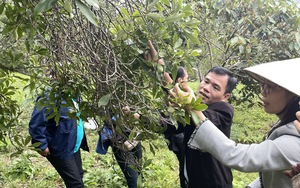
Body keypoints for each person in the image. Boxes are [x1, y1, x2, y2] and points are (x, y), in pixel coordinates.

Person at [170, 58, 300, 188]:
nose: (263, 92)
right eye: (263, 85)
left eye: (271, 86)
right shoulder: (287, 128)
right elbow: (269, 176)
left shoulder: (293, 141)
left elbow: (239, 156)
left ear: (294, 95)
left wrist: (193, 107)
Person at [144, 40, 238, 188]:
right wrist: (140, 119)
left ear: (225, 96)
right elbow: (171, 124)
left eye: (215, 87)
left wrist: (186, 103)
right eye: (206, 81)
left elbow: (203, 120)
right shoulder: (194, 108)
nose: (206, 88)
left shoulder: (224, 112)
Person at [29, 93, 89, 188]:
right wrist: (41, 145)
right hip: (61, 148)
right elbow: (36, 123)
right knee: (76, 184)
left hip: (73, 145)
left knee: (79, 175)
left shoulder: (75, 93)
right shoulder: (49, 96)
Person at [96, 106, 142, 188]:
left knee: (139, 170)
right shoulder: (105, 101)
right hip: (119, 141)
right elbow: (106, 119)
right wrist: (124, 115)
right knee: (132, 177)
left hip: (134, 135)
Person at [161, 66, 189, 188]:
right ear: (179, 80)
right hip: (179, 137)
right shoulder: (176, 95)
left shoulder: (169, 92)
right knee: (185, 167)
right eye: (186, 78)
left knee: (183, 166)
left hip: (173, 136)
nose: (187, 81)